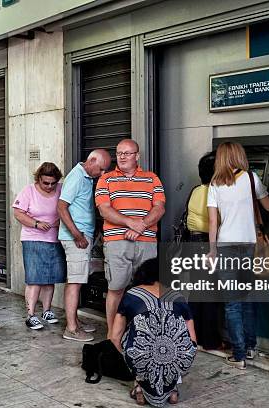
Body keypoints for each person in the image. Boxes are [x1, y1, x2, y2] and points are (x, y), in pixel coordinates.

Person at [207, 142, 269, 369]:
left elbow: (214, 222)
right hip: (249, 245)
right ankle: (252, 347)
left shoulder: (214, 184)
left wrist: (212, 251)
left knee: (231, 304)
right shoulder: (252, 178)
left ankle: (239, 354)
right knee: (247, 300)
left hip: (225, 245)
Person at [95, 139, 166, 338]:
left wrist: (141, 225)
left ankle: (143, 335)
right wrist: (130, 223)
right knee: (116, 288)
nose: (122, 157)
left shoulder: (152, 178)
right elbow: (104, 210)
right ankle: (113, 336)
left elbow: (159, 208)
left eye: (127, 153)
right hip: (117, 242)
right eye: (119, 153)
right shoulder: (106, 179)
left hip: (146, 242)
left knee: (147, 289)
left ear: (137, 156)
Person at [110, 258, 197, 406]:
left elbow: (114, 337)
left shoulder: (132, 294)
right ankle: (173, 388)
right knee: (178, 344)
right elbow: (192, 341)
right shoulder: (178, 296)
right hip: (178, 360)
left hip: (142, 358)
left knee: (129, 335)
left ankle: (139, 386)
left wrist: (131, 360)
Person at [58, 149, 111, 342]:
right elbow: (61, 207)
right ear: (92, 161)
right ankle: (71, 329)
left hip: (82, 235)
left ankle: (75, 323)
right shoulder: (77, 177)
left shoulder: (86, 177)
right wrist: (77, 235)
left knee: (78, 279)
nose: (103, 174)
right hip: (76, 238)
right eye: (102, 169)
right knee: (75, 281)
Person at [13, 162, 65, 330]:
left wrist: (61, 220)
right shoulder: (29, 191)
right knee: (35, 278)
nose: (50, 186)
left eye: (53, 183)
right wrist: (36, 223)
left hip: (54, 238)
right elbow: (18, 213)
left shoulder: (61, 189)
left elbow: (66, 209)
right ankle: (30, 315)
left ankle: (47, 310)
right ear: (38, 179)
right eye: (45, 183)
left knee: (50, 278)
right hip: (33, 238)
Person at [185, 152, 228, 350]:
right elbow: (218, 221)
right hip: (206, 245)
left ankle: (194, 336)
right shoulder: (215, 192)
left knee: (197, 293)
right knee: (210, 295)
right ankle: (211, 340)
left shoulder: (195, 190)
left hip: (193, 243)